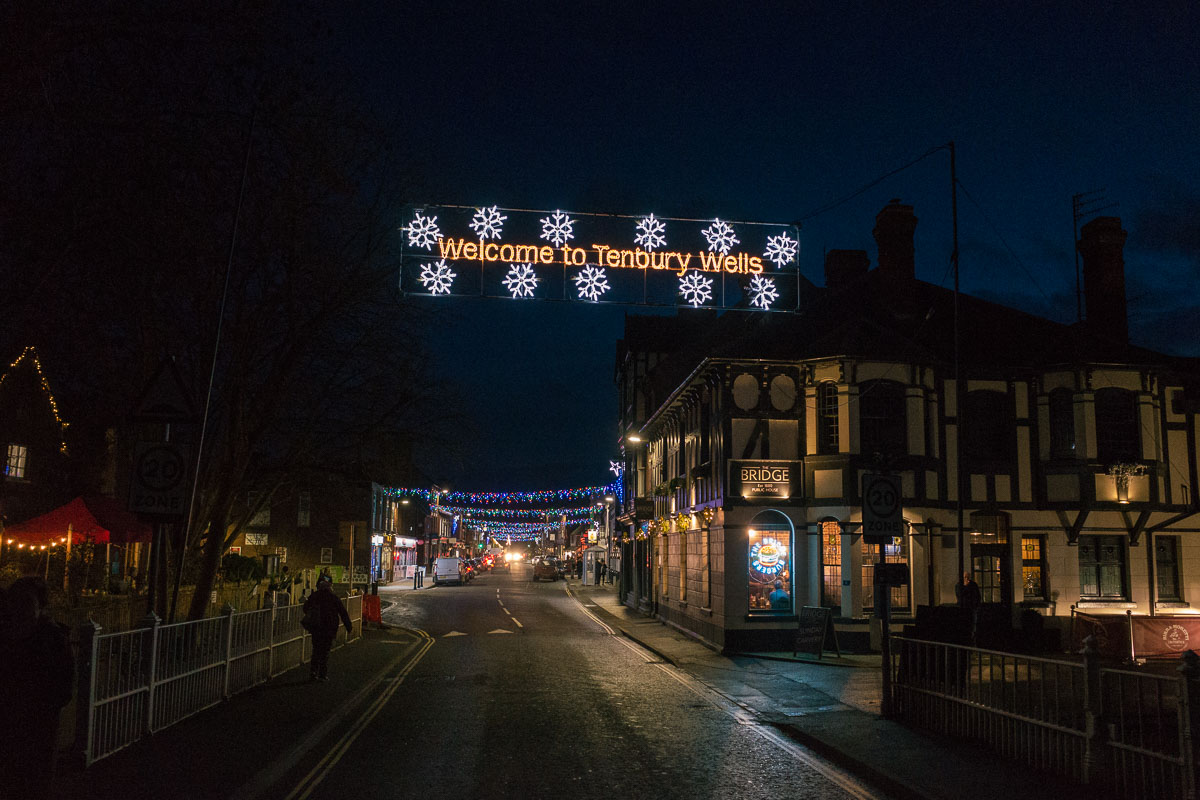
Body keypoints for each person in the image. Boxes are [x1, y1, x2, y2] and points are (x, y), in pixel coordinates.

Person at [0, 577, 75, 800]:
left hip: (37, 734)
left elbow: (63, 690)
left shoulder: (53, 641)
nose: (18, 609)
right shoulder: (6, 638)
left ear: (41, 607)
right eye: (14, 602)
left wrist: (29, 703)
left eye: (26, 603)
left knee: (32, 787)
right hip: (8, 732)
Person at [303, 576, 352, 682]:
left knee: (316, 650)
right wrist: (348, 626)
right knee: (325, 652)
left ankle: (313, 672)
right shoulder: (333, 598)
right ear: (330, 587)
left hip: (316, 627)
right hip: (329, 628)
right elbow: (343, 612)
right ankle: (322, 674)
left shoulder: (314, 596)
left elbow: (305, 607)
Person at [955, 571, 982, 643]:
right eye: (964, 577)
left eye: (967, 577)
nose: (966, 578)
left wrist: (976, 605)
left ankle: (972, 637)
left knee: (973, 623)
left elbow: (977, 596)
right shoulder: (958, 585)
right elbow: (960, 596)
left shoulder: (973, 585)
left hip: (972, 607)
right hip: (963, 608)